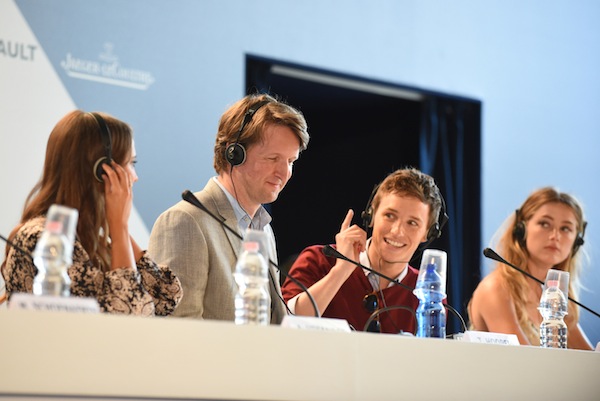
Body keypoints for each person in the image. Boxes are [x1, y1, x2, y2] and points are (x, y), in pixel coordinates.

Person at [1, 110, 183, 316]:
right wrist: (119, 226)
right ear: (101, 172)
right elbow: (128, 316)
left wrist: (116, 226)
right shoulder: (42, 238)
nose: (135, 177)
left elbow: (165, 297)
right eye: (131, 163)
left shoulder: (90, 237)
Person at [148, 93, 310, 323]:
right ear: (234, 154)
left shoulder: (263, 230)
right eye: (272, 158)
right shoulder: (185, 221)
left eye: (291, 161)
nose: (284, 173)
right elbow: (179, 329)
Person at [281, 167, 445, 333]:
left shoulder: (428, 294)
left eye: (412, 223)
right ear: (371, 215)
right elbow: (284, 324)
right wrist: (341, 271)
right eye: (390, 215)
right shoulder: (318, 260)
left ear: (428, 234)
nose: (397, 231)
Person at [468, 187, 593, 350]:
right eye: (545, 224)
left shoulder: (554, 295)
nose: (555, 236)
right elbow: (527, 362)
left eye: (565, 228)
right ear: (521, 229)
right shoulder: (496, 287)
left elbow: (591, 358)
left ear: (576, 242)